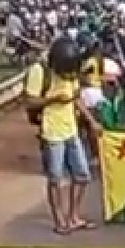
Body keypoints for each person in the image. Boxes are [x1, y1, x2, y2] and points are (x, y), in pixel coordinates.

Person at [24, 36, 101, 235]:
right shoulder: (39, 71)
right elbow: (30, 102)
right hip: (51, 132)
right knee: (56, 179)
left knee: (82, 175)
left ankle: (73, 216)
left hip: (71, 129)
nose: (69, 75)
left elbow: (76, 99)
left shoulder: (71, 68)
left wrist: (92, 122)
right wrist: (52, 100)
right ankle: (60, 220)